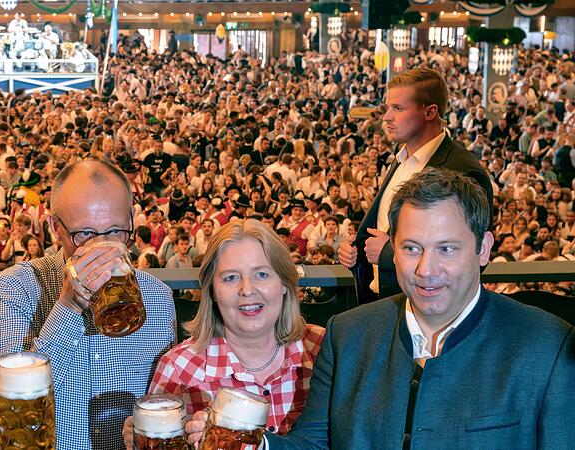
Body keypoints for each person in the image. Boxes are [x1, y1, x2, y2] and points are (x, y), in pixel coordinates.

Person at [265, 169, 574, 449]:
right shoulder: (346, 334)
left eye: (447, 248)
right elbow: (313, 445)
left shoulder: (548, 347)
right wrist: (253, 442)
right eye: (412, 248)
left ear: (483, 248)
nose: (427, 269)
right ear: (393, 251)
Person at [0, 160, 176, 450]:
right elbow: (17, 411)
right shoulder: (13, 289)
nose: (101, 249)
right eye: (84, 234)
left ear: (131, 223)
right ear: (54, 228)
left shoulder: (158, 298)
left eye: (115, 231)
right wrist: (68, 306)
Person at [124, 219, 325, 448]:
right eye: (231, 277)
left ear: (285, 284)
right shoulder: (178, 368)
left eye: (262, 274)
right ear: (212, 291)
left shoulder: (323, 348)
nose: (247, 289)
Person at [338, 67, 494, 303]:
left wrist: (389, 254)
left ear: (430, 112)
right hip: (383, 302)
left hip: (425, 309)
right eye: (389, 107)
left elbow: (471, 258)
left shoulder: (462, 170)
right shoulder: (401, 159)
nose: (386, 116)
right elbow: (381, 231)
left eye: (398, 108)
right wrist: (356, 251)